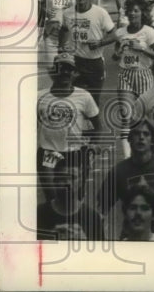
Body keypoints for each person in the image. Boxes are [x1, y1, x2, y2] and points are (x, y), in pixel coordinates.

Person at [97, 119, 154, 241]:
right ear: (129, 139)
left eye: (146, 134)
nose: (141, 137)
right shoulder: (118, 171)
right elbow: (102, 207)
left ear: (152, 140)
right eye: (136, 134)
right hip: (132, 234)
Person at [36, 54, 102, 200]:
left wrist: (93, 144)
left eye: (69, 69)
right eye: (61, 68)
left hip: (75, 153)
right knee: (52, 198)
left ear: (74, 73)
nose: (65, 72)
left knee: (75, 198)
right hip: (49, 152)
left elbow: (97, 124)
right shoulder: (39, 97)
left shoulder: (84, 96)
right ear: (53, 71)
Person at [36, 150, 104, 241]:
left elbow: (100, 253)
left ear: (80, 182)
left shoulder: (92, 217)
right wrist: (49, 239)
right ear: (55, 181)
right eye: (63, 178)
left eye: (72, 178)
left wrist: (84, 241)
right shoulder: (38, 214)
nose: (67, 183)